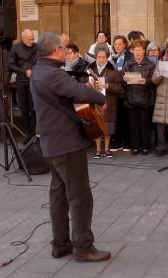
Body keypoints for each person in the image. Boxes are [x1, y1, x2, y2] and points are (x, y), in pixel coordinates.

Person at [30, 32, 110, 262]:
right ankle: (83, 247)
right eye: (64, 48)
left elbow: (67, 92)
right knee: (80, 196)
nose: (66, 51)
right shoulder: (53, 74)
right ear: (56, 51)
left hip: (52, 142)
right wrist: (99, 96)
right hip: (67, 143)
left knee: (58, 194)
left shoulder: (39, 70)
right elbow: (79, 92)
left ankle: (60, 243)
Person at [87, 44, 121, 158]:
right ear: (95, 57)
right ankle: (97, 150)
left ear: (107, 57)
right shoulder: (89, 69)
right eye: (99, 57)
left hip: (109, 102)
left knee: (107, 127)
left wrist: (108, 85)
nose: (101, 59)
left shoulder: (113, 70)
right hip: (94, 101)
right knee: (96, 126)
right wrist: (89, 84)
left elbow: (120, 88)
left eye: (103, 57)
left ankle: (107, 149)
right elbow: (81, 84)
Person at [122, 39, 156, 154]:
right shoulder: (128, 64)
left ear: (144, 51)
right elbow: (122, 83)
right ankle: (135, 146)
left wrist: (146, 81)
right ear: (132, 51)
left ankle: (145, 146)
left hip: (146, 98)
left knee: (145, 124)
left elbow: (155, 81)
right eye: (135, 50)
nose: (137, 52)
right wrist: (124, 80)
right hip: (132, 98)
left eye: (139, 50)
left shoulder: (151, 64)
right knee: (134, 125)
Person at [9, 29, 37, 137]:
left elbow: (41, 61)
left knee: (33, 108)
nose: (31, 41)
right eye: (29, 39)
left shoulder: (37, 47)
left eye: (32, 39)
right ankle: (27, 133)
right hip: (21, 81)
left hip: (34, 81)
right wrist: (24, 71)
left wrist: (33, 70)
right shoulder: (15, 48)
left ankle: (34, 133)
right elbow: (11, 65)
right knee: (24, 109)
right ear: (23, 38)